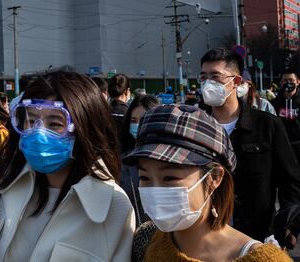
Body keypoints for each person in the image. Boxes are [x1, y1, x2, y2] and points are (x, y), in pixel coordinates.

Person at [0, 71, 135, 261]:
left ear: (85, 129)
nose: (38, 133)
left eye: (55, 123)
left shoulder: (113, 206)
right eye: (32, 120)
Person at [124, 104, 291, 262]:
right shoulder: (146, 240)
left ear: (214, 178)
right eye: (144, 178)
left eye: (170, 178)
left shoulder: (263, 259)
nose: (155, 190)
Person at [199, 48, 300, 248]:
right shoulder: (194, 126)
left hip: (258, 237)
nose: (208, 83)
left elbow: (291, 180)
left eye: (215, 76)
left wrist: (288, 222)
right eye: (203, 77)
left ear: (236, 82)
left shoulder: (267, 125)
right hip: (205, 237)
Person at [120, 95, 160, 225]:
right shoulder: (122, 159)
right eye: (133, 120)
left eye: (143, 119)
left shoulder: (169, 159)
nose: (137, 125)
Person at [272, 69, 300, 163]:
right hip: (281, 146)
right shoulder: (274, 103)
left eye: (291, 80)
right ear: (281, 83)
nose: (288, 83)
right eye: (285, 80)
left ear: (298, 82)